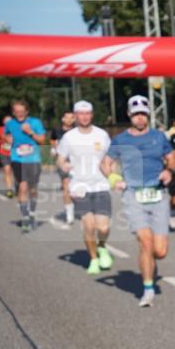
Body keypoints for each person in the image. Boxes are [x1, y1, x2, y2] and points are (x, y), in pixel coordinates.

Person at [101, 95, 175, 307]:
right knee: (145, 242)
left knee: (159, 251)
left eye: (143, 114)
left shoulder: (159, 137)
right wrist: (114, 178)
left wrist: (169, 170)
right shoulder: (120, 140)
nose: (140, 118)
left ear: (148, 115)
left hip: (158, 194)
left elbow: (172, 158)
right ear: (129, 115)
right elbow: (105, 163)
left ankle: (150, 261)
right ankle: (148, 289)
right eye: (136, 115)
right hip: (133, 195)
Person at [56, 101, 114, 275]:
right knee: (89, 226)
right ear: (75, 116)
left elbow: (110, 158)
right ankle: (94, 259)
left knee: (103, 227)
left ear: (92, 115)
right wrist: (63, 166)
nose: (84, 116)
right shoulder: (69, 137)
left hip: (101, 184)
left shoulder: (102, 134)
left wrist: (113, 176)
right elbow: (60, 158)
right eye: (80, 114)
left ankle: (102, 246)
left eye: (87, 113)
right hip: (79, 186)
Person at [3, 99, 47, 232]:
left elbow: (42, 140)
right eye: (17, 112)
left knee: (32, 189)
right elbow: (6, 135)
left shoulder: (35, 122)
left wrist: (30, 132)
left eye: (22, 111)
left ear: (27, 111)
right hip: (17, 159)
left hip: (33, 159)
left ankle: (32, 213)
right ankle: (25, 217)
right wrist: (7, 139)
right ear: (13, 112)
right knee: (22, 187)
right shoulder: (10, 123)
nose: (19, 114)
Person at [52, 110, 77, 224]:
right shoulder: (57, 130)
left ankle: (76, 204)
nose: (69, 120)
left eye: (72, 117)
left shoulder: (78, 130)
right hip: (63, 161)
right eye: (67, 117)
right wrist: (53, 149)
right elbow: (53, 141)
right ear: (63, 119)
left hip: (78, 162)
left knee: (78, 188)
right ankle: (69, 214)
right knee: (66, 185)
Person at [0, 115, 15, 198]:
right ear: (3, 122)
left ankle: (17, 187)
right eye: (6, 121)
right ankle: (9, 190)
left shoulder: (16, 129)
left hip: (15, 153)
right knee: (7, 170)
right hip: (3, 152)